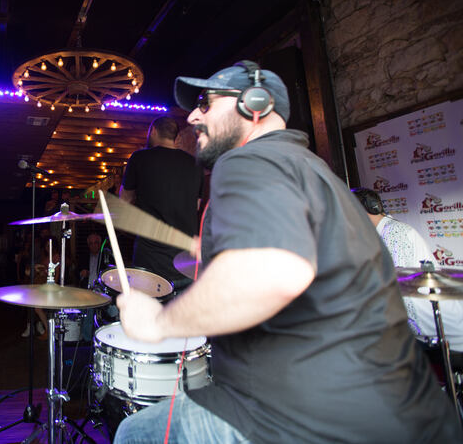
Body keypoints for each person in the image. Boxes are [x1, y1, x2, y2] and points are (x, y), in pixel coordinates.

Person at [114, 61, 461, 443]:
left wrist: (157, 323)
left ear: (254, 106)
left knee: (135, 433)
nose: (194, 115)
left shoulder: (248, 161)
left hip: (297, 415)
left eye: (207, 102)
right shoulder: (310, 169)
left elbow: (276, 275)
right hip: (380, 411)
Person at [352, 187, 463, 351]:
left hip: (437, 329)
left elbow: (398, 286)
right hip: (421, 329)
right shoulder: (383, 233)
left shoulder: (395, 233)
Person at [119, 115, 203, 291]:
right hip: (186, 262)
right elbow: (195, 206)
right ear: (176, 137)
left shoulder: (140, 158)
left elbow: (124, 201)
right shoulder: (195, 164)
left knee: (149, 317)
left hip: (151, 261)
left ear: (154, 131)